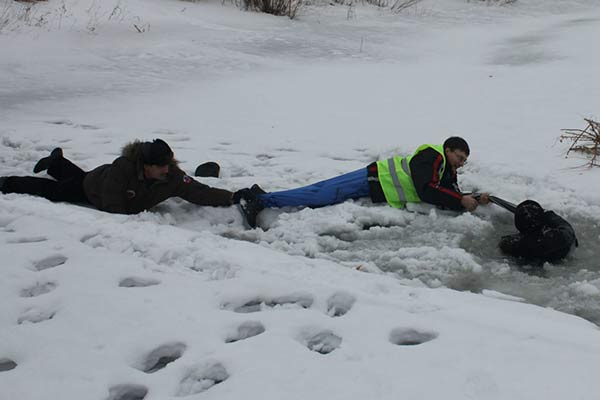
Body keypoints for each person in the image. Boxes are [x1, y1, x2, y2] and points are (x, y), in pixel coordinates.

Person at [238, 137, 490, 228]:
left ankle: (264, 195)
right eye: (459, 157)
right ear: (448, 149)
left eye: (464, 161)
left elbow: (449, 194)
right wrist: (460, 199)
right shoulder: (432, 156)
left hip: (375, 185)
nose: (460, 163)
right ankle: (258, 200)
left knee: (318, 193)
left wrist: (475, 198)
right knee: (318, 195)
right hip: (371, 179)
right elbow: (428, 190)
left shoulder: (447, 170)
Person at [0, 139, 242, 214]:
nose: (167, 171)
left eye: (168, 165)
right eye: (161, 167)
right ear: (146, 166)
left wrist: (232, 196)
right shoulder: (122, 168)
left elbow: (198, 191)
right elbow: (111, 205)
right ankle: (7, 183)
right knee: (54, 190)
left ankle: (56, 163)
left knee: (74, 175)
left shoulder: (171, 176)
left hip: (97, 178)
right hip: (91, 188)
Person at [499, 200, 578, 264]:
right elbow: (566, 227)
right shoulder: (558, 236)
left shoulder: (517, 244)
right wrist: (548, 215)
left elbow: (505, 243)